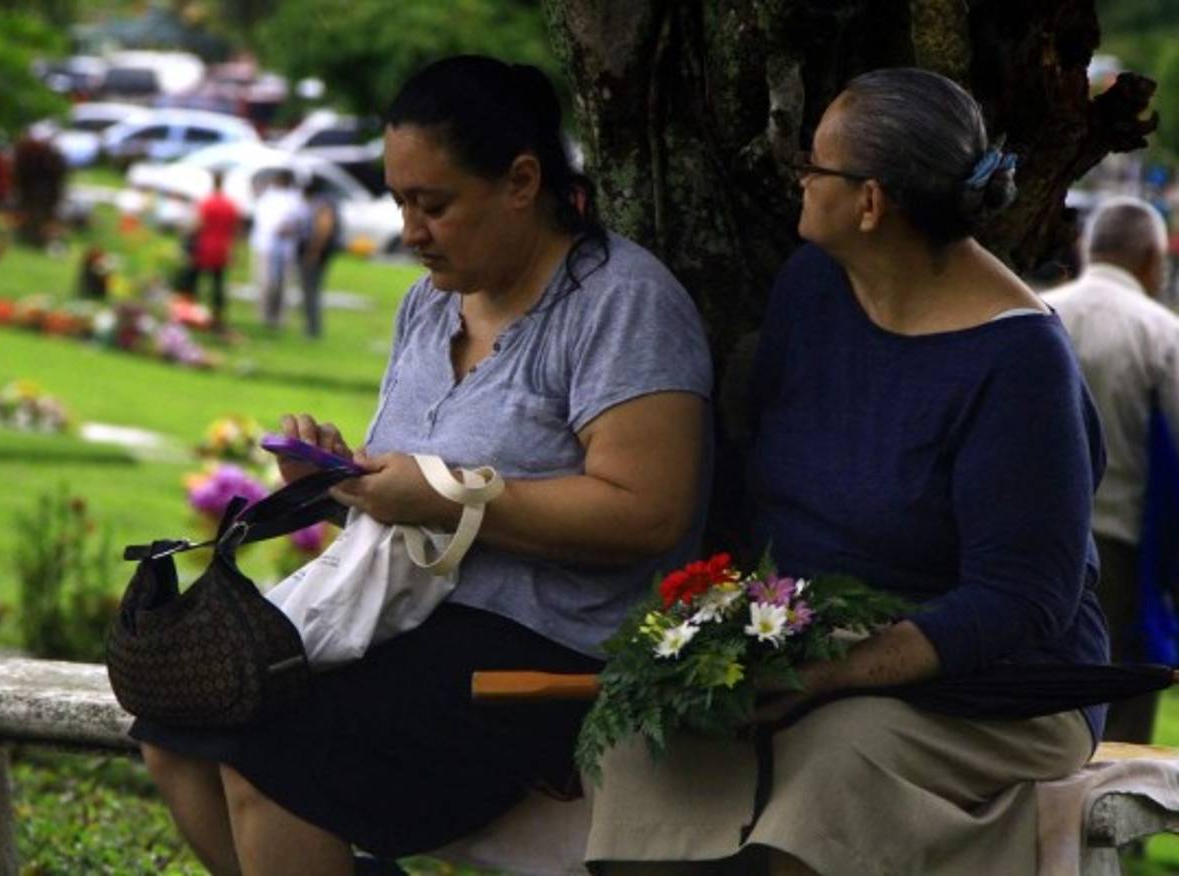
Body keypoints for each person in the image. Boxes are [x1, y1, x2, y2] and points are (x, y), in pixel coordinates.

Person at [132, 55, 713, 876]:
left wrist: (446, 500)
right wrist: (338, 488)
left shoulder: (622, 303)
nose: (410, 231)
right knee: (173, 730)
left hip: (548, 647)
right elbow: (411, 496)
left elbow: (647, 513)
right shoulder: (429, 304)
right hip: (407, 619)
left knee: (273, 761)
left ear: (521, 181)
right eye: (399, 201)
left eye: (433, 205)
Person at [588, 68, 1109, 875]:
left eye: (814, 164)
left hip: (992, 678)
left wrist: (833, 674)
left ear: (869, 203)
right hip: (809, 640)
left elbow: (1023, 599)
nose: (799, 176)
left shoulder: (1019, 363)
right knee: (647, 743)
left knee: (835, 757)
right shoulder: (813, 288)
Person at [1044, 196, 1179, 744]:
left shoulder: (1036, 312)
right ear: (1151, 260)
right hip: (1119, 546)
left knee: (1035, 704)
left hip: (1027, 541)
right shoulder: (1162, 333)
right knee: (1121, 711)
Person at [182, 172, 240, 331]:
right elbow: (235, 229)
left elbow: (197, 224)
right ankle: (218, 317)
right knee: (217, 285)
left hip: (204, 247)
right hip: (222, 248)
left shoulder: (206, 202)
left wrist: (186, 236)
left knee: (192, 282)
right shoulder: (231, 204)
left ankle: (189, 314)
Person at [249, 168, 303, 329]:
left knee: (282, 284)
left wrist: (289, 228)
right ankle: (265, 314)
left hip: (285, 247)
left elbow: (299, 221)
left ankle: (279, 317)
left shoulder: (294, 199)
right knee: (266, 282)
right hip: (265, 246)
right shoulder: (267, 196)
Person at [296, 178, 342, 338]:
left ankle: (312, 329)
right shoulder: (326, 201)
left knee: (310, 290)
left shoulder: (321, 203)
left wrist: (313, 251)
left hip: (316, 253)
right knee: (311, 290)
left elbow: (323, 228)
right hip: (318, 252)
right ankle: (311, 327)